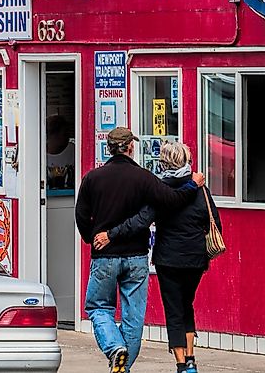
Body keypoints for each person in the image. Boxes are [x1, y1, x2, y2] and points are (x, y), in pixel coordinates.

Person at [75, 127, 204, 373]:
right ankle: (123, 366)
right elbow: (172, 200)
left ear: (109, 148)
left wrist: (92, 238)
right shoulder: (144, 177)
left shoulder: (92, 178)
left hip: (105, 256)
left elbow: (81, 215)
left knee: (98, 307)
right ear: (131, 148)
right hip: (136, 257)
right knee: (133, 318)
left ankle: (115, 349)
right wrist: (193, 185)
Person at [102, 142, 219, 373]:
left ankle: (182, 364)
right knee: (187, 305)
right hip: (195, 258)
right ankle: (192, 357)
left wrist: (112, 234)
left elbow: (141, 220)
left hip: (168, 259)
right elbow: (213, 220)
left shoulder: (159, 189)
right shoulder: (200, 188)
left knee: (174, 309)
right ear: (186, 160)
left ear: (163, 162)